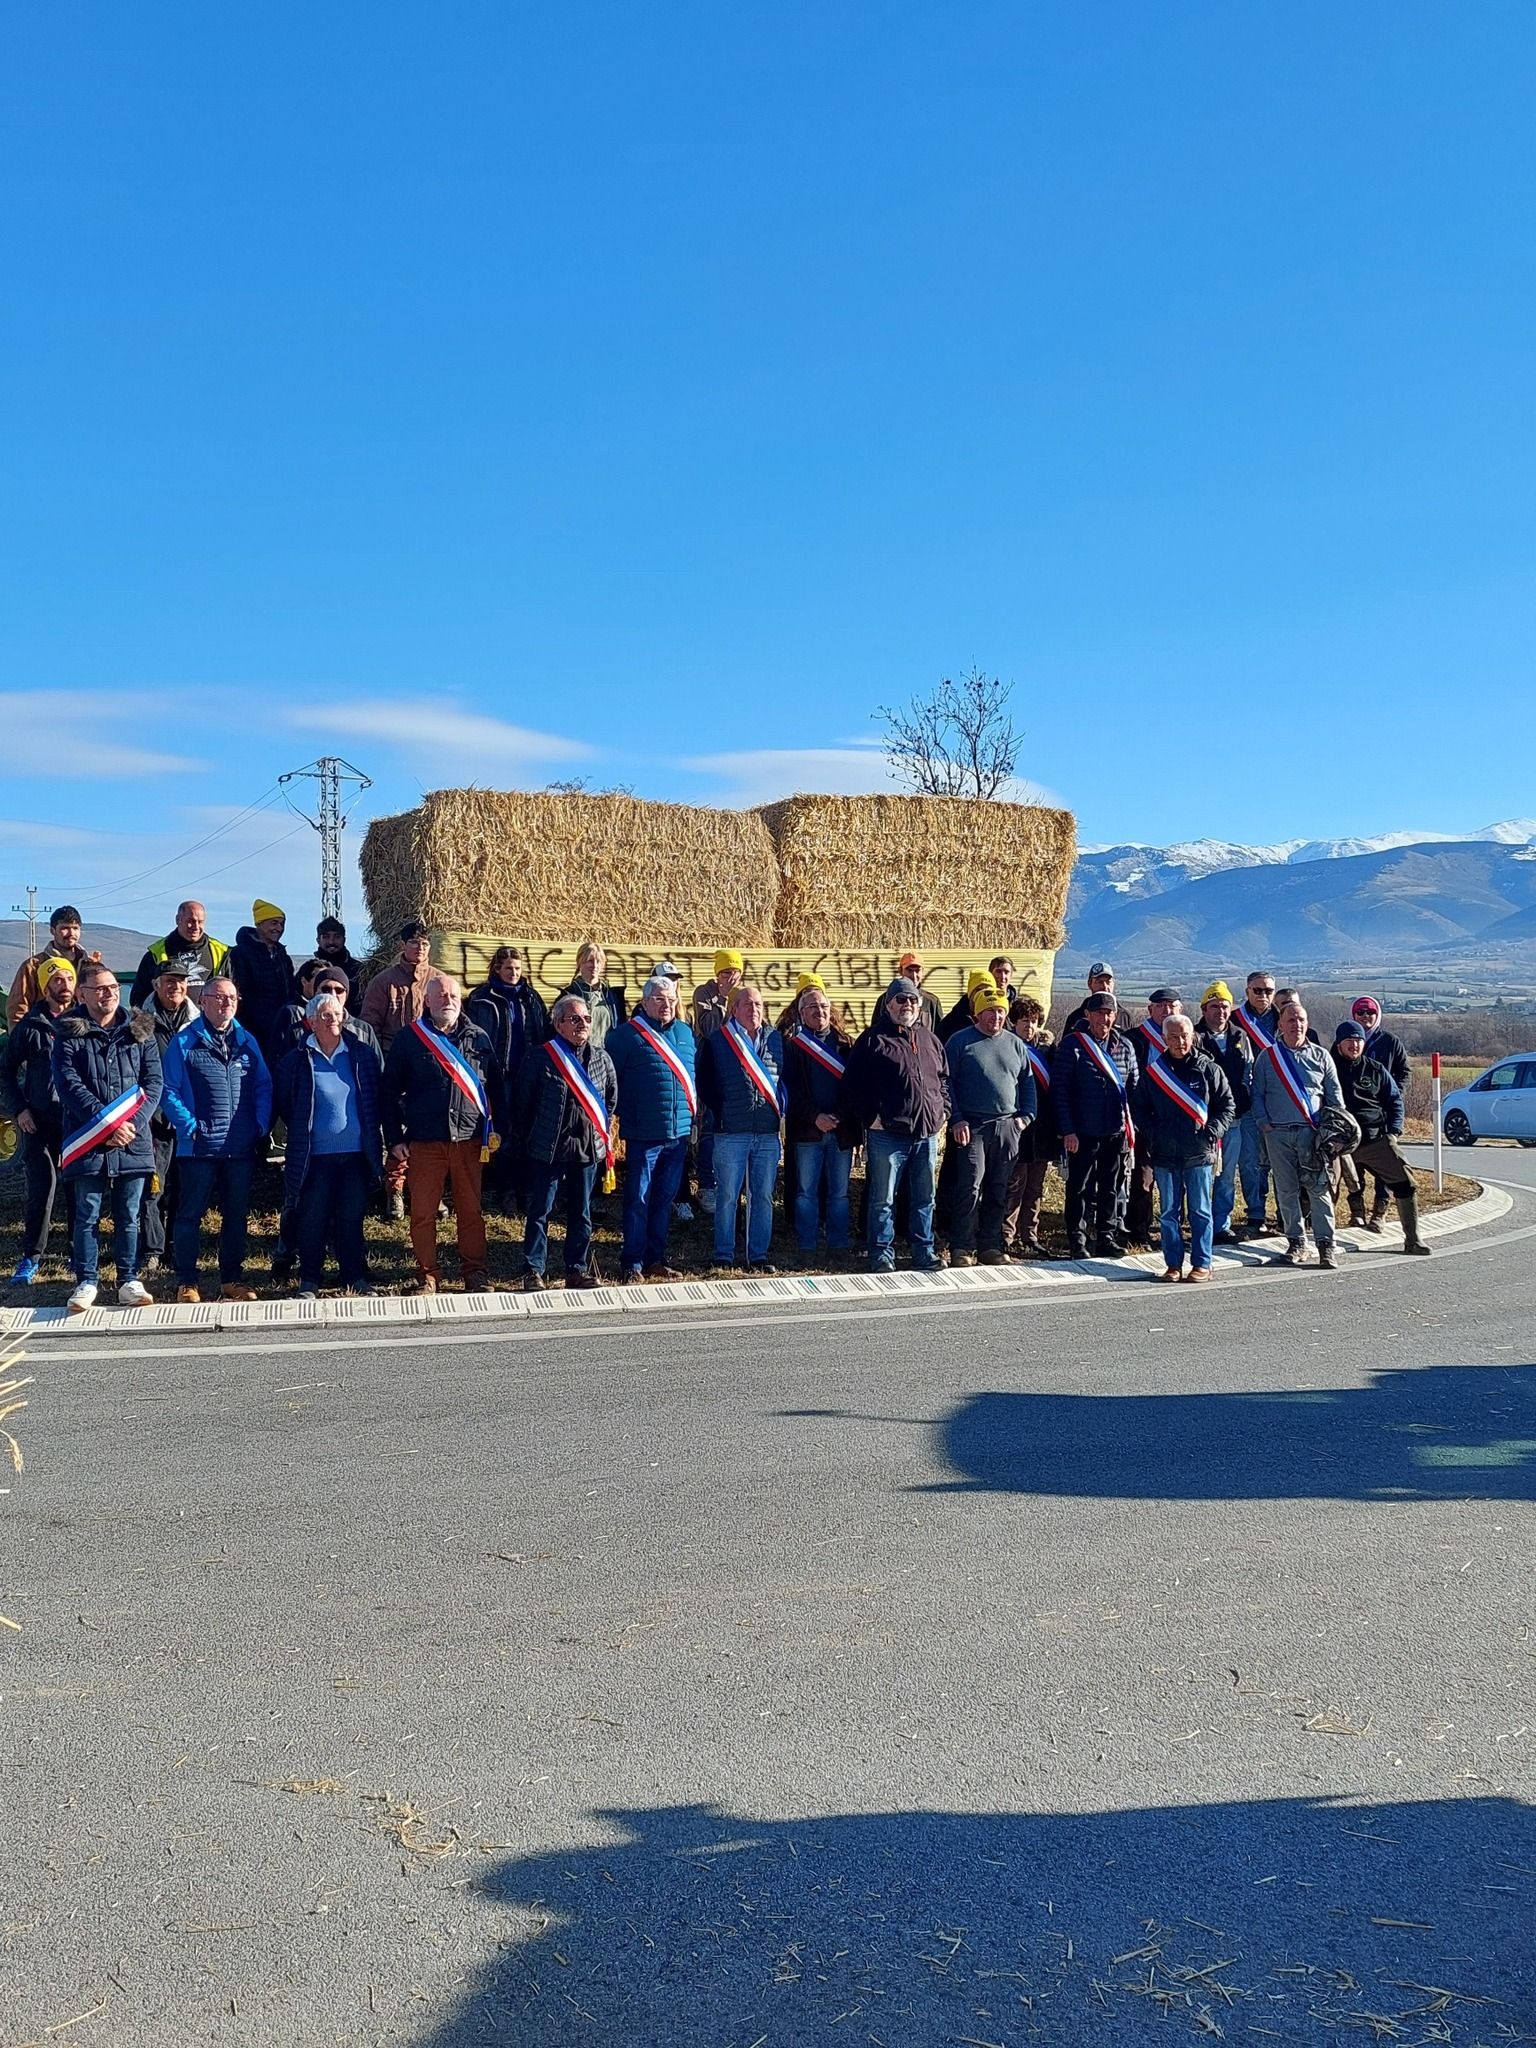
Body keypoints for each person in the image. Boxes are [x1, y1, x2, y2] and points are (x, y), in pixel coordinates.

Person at [381, 973, 502, 1295]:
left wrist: (497, 1132)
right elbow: (388, 1092)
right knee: (422, 1214)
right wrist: (394, 1139)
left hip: (469, 1141)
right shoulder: (410, 1039)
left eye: (452, 995)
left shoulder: (479, 1038)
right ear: (428, 1000)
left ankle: (475, 1274)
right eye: (441, 995)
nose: (447, 1000)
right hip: (425, 1142)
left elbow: (498, 1089)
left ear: (460, 1000)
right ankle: (427, 1276)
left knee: (471, 1212)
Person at [51, 963, 162, 1313]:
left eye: (113, 986)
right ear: (82, 993)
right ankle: (86, 1280)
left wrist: (132, 1124)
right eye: (99, 988)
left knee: (129, 1215)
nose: (109, 993)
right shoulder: (68, 1034)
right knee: (86, 1215)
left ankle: (129, 1278)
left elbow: (153, 1083)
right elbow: (68, 1084)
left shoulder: (139, 1031)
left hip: (133, 1139)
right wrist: (105, 1124)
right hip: (88, 1139)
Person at [160, 976, 273, 1303]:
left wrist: (260, 1124)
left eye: (232, 998)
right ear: (204, 1001)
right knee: (189, 1215)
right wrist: (189, 1126)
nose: (226, 1004)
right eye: (220, 998)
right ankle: (187, 1282)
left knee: (236, 1215)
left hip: (239, 1147)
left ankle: (232, 1279)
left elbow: (263, 1086)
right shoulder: (184, 1042)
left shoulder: (247, 1041)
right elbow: (168, 1090)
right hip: (198, 1147)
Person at [275, 992, 384, 1297]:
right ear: (311, 1023)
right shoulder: (295, 1060)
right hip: (314, 1156)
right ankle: (310, 1279)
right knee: (312, 1218)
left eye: (337, 1013)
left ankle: (354, 1277)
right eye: (325, 1015)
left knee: (351, 1217)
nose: (333, 1019)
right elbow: (286, 1102)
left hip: (356, 1154)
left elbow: (376, 1097)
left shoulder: (361, 1053)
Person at [839, 977, 949, 1274]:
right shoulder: (872, 1040)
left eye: (912, 1000)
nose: (907, 1005)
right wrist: (871, 1119)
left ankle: (923, 1251)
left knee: (925, 1197)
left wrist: (943, 1112)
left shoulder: (930, 1039)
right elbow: (852, 1087)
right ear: (888, 1005)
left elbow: (943, 1081)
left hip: (926, 1134)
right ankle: (881, 1253)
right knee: (883, 1199)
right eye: (900, 1000)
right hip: (887, 1135)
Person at [514, 991, 617, 1292]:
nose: (582, 1024)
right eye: (574, 1019)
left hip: (586, 1148)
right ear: (558, 1024)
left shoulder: (601, 1058)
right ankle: (534, 1270)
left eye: (586, 1018)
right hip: (549, 1147)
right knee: (540, 1212)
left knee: (581, 1212)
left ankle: (576, 1269)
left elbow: (609, 1101)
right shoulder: (539, 1057)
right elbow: (523, 1104)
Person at [608, 974, 698, 1282]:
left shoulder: (686, 1033)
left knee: (663, 1200)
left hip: (678, 1134)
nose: (666, 1005)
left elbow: (692, 1079)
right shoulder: (624, 1036)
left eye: (671, 999)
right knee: (638, 1199)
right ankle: (632, 1261)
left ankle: (654, 1258)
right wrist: (626, 1113)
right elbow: (610, 1082)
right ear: (645, 1002)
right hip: (643, 1133)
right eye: (659, 999)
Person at [1133, 1012, 1235, 1282]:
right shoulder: (1154, 1074)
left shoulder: (1208, 1068)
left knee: (1200, 1210)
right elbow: (1139, 1108)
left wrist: (1212, 1132)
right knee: (1168, 1213)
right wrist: (1153, 1134)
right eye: (1174, 1037)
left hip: (1199, 1152)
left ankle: (1203, 1263)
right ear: (1164, 1039)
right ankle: (1173, 1264)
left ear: (1193, 1036)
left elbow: (1227, 1106)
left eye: (1184, 1036)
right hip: (1164, 1153)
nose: (1180, 1042)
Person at [945, 984, 1037, 1266]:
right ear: (977, 1014)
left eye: (1000, 1011)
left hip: (1008, 1126)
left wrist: (1026, 1117)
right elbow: (946, 1084)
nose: (995, 1017)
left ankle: (990, 1246)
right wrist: (957, 1118)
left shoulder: (1015, 1044)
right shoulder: (960, 1042)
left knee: (999, 1186)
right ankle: (961, 1246)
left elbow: (1027, 1082)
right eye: (989, 1012)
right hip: (972, 1126)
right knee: (971, 1185)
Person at [1248, 1001, 1343, 1269]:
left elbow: (1335, 1100)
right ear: (1280, 1024)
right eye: (1290, 1020)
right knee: (1286, 1191)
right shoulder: (1268, 1057)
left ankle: (1326, 1245)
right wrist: (1264, 1124)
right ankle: (1296, 1242)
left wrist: (1332, 1134)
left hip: (1312, 1135)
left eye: (1300, 1019)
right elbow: (1258, 1094)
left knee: (1319, 1189)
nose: (1296, 1024)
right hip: (1277, 1134)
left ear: (1307, 1023)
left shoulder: (1322, 1057)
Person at [1, 956, 79, 1283]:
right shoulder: (30, 1027)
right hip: (38, 1121)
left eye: (68, 979)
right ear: (45, 986)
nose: (64, 986)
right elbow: (4, 1071)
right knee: (41, 1188)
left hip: (77, 1121)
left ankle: (81, 1257)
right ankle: (31, 1258)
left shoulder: (83, 1022)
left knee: (80, 1189)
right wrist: (19, 1109)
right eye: (56, 980)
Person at [698, 983, 784, 1273]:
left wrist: (781, 1109)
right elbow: (706, 1083)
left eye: (758, 1005)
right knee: (727, 1196)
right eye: (747, 1004)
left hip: (767, 1132)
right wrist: (723, 1111)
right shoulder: (718, 1040)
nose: (754, 1010)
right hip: (731, 1131)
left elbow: (784, 1081)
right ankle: (723, 1254)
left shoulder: (775, 1039)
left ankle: (757, 1255)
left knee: (762, 1196)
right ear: (733, 1009)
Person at [1052, 992, 1139, 1260]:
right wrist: (1068, 1130)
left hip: (1115, 1130)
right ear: (1088, 1015)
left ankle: (1106, 1236)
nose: (1104, 1018)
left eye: (1109, 1013)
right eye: (1099, 1012)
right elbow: (1060, 1091)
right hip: (1082, 1131)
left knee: (1111, 1187)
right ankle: (1077, 1239)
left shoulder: (1125, 1046)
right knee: (1080, 1187)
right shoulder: (1073, 1046)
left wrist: (1130, 1126)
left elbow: (1134, 1087)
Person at [1330, 1020, 1429, 1254]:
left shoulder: (1375, 1069)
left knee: (1406, 1183)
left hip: (1376, 1139)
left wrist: (1393, 1132)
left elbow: (1394, 1101)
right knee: (1323, 1190)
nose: (1354, 1045)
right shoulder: (1328, 1067)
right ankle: (1321, 1239)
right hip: (1339, 1144)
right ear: (1339, 1043)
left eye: (1359, 1040)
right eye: (1349, 1040)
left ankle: (1413, 1239)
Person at [466, 946, 550, 1212]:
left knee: (526, 1131)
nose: (513, 973)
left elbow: (542, 1034)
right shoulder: (480, 999)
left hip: (528, 1075)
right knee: (502, 1133)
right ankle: (506, 1191)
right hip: (498, 1076)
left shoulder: (532, 998)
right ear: (496, 969)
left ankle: (526, 1188)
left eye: (517, 968)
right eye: (508, 968)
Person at [362, 921, 437, 1218]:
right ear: (401, 946)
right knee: (395, 1132)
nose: (420, 949)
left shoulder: (438, 981)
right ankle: (394, 1191)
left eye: (425, 944)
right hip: (393, 1066)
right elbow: (369, 1028)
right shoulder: (383, 982)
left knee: (428, 1132)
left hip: (430, 1070)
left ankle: (425, 1190)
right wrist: (383, 1067)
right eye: (415, 943)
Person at [782, 984, 857, 1261]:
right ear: (801, 1013)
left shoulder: (846, 1045)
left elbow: (854, 1088)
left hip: (841, 1131)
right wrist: (816, 1116)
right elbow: (790, 1089)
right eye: (812, 1007)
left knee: (839, 1194)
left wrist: (839, 1116)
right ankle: (807, 1246)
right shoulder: (793, 1047)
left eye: (823, 1006)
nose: (819, 1011)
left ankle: (838, 1245)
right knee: (805, 1193)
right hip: (807, 1131)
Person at [133, 962, 197, 1275]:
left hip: (189, 1116)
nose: (176, 987)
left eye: (181, 982)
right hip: (152, 1118)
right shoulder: (139, 1023)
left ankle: (177, 1247)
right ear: (156, 984)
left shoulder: (200, 1022)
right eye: (170, 981)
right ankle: (152, 1250)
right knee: (152, 1188)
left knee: (184, 1188)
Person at [1193, 981, 1252, 1246]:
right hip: (1204, 1121)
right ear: (1204, 1009)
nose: (1220, 1011)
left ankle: (1222, 1225)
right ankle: (1201, 1224)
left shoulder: (1240, 1037)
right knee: (1203, 1176)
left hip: (1235, 1119)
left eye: (1225, 1006)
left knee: (1227, 1176)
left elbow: (1248, 1072)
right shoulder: (1193, 1037)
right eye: (1214, 1006)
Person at [1125, 989, 1185, 1246]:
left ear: (1179, 1010)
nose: (1166, 1011)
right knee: (1143, 1179)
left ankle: (1174, 1230)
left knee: (1176, 1180)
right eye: (1160, 1006)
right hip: (1145, 1120)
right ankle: (1139, 1231)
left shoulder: (1189, 1039)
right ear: (1150, 1011)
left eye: (1171, 1006)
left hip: (1179, 1122)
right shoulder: (1133, 1039)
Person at [690, 948, 747, 1216]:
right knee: (709, 1126)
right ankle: (706, 1184)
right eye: (726, 972)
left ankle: (736, 1183)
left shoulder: (745, 995)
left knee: (736, 1128)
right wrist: (725, 1000)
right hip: (710, 1066)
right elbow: (709, 1028)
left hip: (736, 1071)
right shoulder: (704, 993)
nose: (731, 977)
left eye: (735, 972)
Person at [1348, 996, 1412, 1227]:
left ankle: (1379, 1212)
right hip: (1352, 1118)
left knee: (1386, 1168)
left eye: (1370, 1013)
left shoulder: (1389, 1041)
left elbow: (1404, 1071)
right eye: (1360, 1013)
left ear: (1378, 1015)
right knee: (1353, 1169)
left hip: (1381, 1115)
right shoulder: (1346, 1040)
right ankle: (1357, 1212)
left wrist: (1393, 1090)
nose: (1366, 1017)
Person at [1001, 997, 1058, 1258]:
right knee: (1015, 1184)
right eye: (1025, 1021)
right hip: (1017, 1126)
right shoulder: (1007, 1047)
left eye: (1034, 1022)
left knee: (1035, 1186)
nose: (1030, 1027)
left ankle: (1030, 1234)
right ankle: (1006, 1234)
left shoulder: (1046, 1052)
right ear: (1014, 1022)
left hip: (1042, 1128)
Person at [1230, 970, 1279, 1234]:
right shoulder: (1235, 1020)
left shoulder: (1283, 1019)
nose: (1262, 995)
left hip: (1280, 1099)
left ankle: (1284, 1213)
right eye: (1257, 990)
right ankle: (1256, 1213)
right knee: (1250, 1161)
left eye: (1268, 991)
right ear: (1247, 991)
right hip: (1248, 1100)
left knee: (1279, 1160)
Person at [7, 906, 96, 1027]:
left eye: (75, 928)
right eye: (64, 928)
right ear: (52, 930)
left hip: (84, 1033)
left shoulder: (90, 965)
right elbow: (18, 1007)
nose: (71, 933)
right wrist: (19, 1039)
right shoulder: (34, 966)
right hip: (45, 1034)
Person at [129, 900, 229, 1007]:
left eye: (200, 922)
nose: (195, 927)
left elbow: (232, 993)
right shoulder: (156, 953)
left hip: (208, 1022)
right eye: (191, 921)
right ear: (178, 920)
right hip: (169, 1022)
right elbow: (138, 999)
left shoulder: (221, 952)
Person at [228, 898, 297, 1055]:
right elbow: (239, 992)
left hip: (282, 1030)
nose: (279, 928)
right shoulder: (240, 954)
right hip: (252, 1031)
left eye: (281, 923)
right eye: (274, 923)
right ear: (259, 923)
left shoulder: (282, 956)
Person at [561, 941, 628, 1054]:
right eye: (590, 961)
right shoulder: (568, 995)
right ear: (580, 962)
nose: (595, 965)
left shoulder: (613, 997)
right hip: (577, 1056)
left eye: (598, 961)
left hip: (608, 1057)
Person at [1062, 962, 1133, 1037]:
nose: (1105, 987)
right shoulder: (1076, 1017)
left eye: (1108, 982)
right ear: (1089, 984)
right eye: (1099, 982)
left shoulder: (1124, 1016)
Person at [314, 917, 365, 1009]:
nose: (331, 941)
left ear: (344, 940)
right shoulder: (309, 971)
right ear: (318, 940)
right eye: (326, 937)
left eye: (337, 937)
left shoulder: (359, 970)